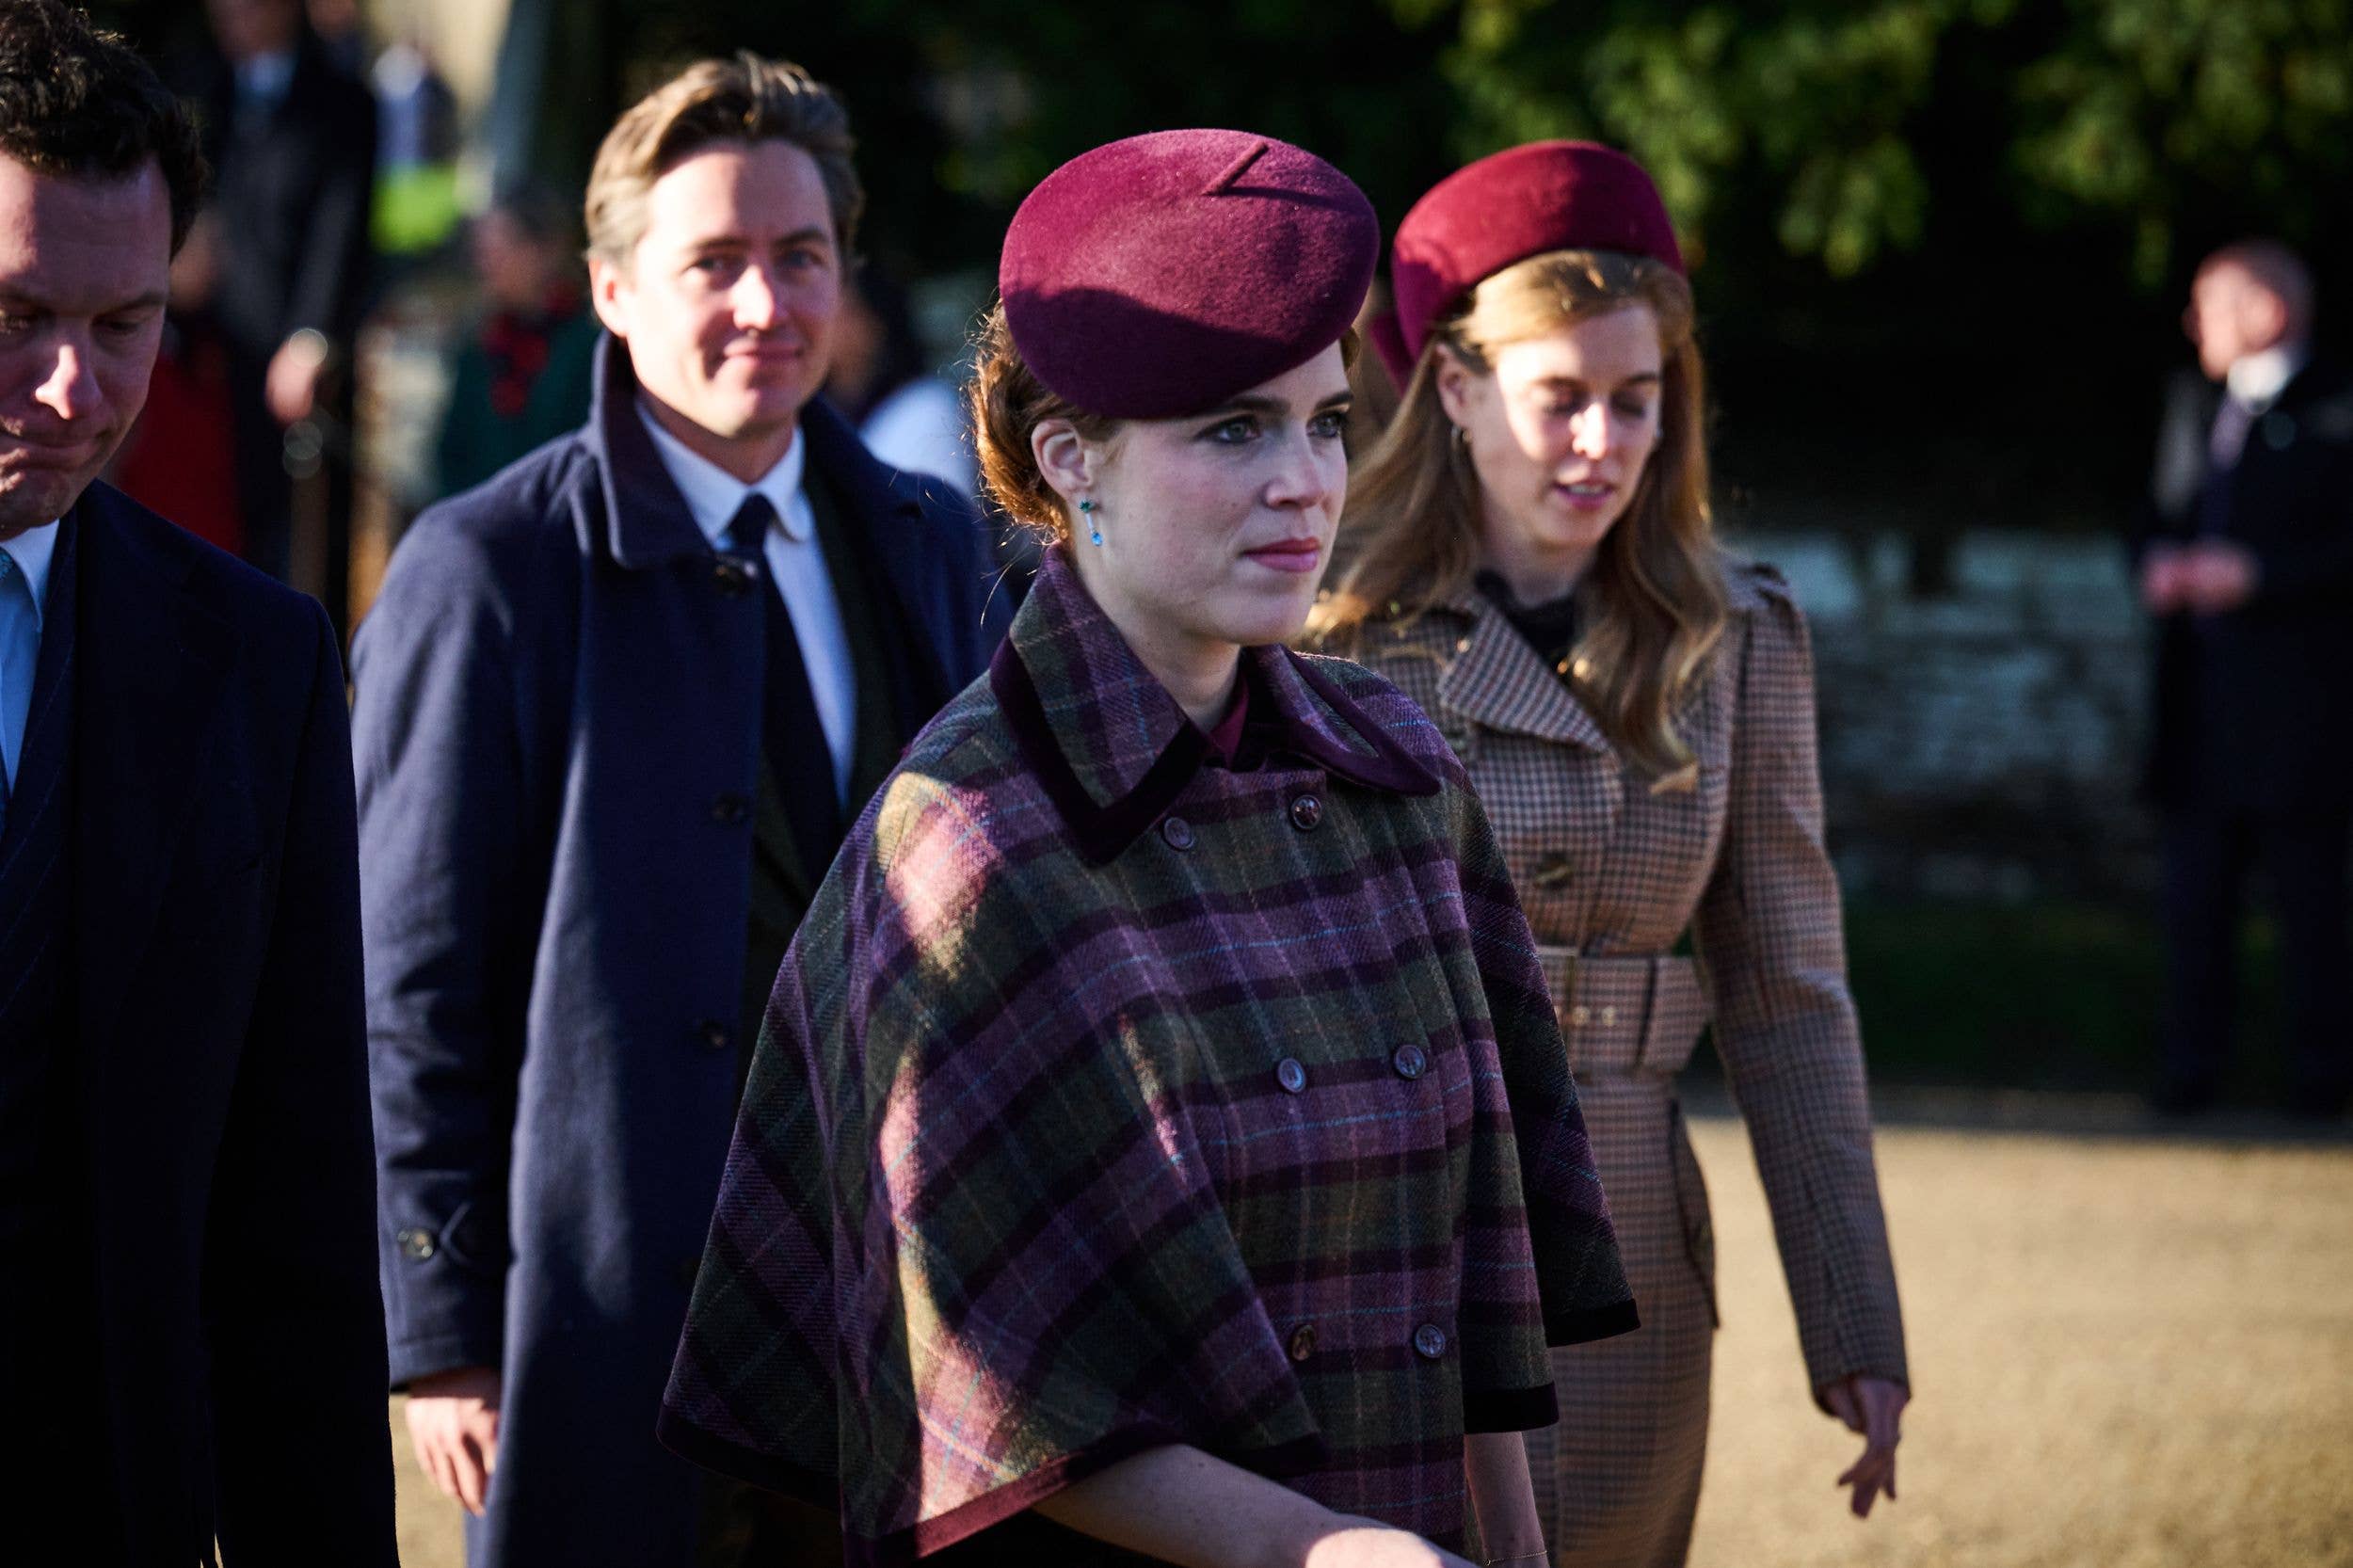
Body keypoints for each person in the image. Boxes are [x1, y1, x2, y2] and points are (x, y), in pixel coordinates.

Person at [660, 128, 1638, 1568]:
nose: (1306, 480)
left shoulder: (1404, 776)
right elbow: (977, 1383)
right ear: (1072, 460)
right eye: (1233, 429)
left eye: (1323, 420)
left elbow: (1482, 1296)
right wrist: (1315, 1551)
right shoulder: (968, 841)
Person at [354, 54, 1005, 1567]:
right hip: (601, 1316)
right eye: (713, 260)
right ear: (609, 287)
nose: (767, 305)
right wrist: (442, 1319)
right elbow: (408, 977)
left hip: (894, 1314)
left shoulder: (931, 543)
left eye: (802, 257)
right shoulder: (485, 573)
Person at [1313, 142, 1911, 1567]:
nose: (1602, 443)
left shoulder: (1737, 635)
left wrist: (1857, 1321)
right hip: (1384, 1233)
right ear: (1456, 390)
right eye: (1559, 399)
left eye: (1636, 401)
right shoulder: (1331, 638)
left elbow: (1787, 993)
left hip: (1634, 1252)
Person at [0, 2, 394, 1559]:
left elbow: (292, 1220)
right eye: (16, 314)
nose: (72, 391)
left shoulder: (255, 667)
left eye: (123, 324)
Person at [2132, 241, 2353, 1118]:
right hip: (2200, 709)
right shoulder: (2192, 405)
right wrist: (2155, 565)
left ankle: (2323, 1081)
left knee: (2311, 908)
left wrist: (2261, 575)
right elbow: (2155, 514)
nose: (2196, 326)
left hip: (2302, 714)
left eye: (2211, 306)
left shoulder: (2339, 407)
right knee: (2194, 909)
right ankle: (2189, 1075)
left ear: (2266, 312)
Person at [197, 0, 376, 636]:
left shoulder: (343, 100)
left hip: (303, 356)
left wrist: (311, 338)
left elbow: (342, 232)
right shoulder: (208, 90)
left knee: (304, 533)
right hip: (218, 347)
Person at [431, 181, 600, 500]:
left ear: (545, 251)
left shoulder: (587, 346)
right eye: (481, 253)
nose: (486, 266)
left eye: (498, 251)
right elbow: (451, 454)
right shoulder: (480, 346)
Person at [824, 261, 979, 493]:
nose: (825, 322)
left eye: (842, 310)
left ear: (875, 325)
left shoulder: (927, 409)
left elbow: (939, 519)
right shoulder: (815, 415)